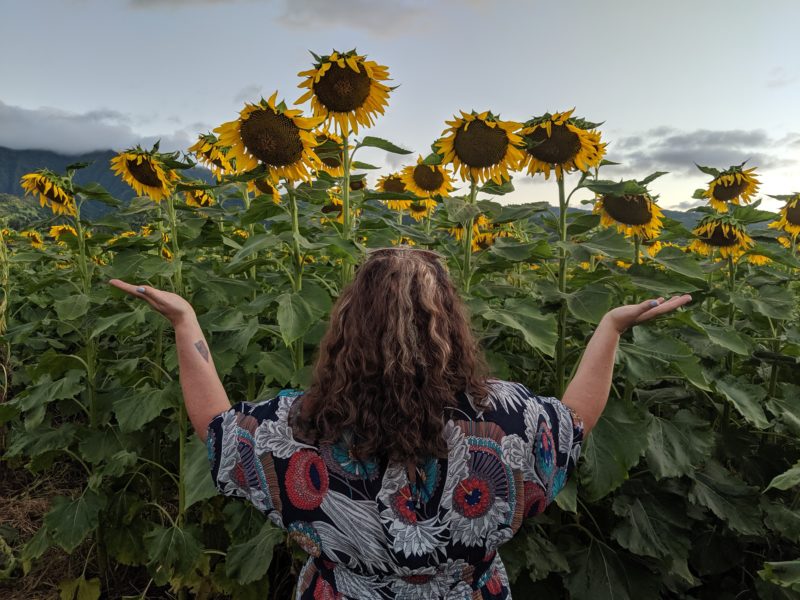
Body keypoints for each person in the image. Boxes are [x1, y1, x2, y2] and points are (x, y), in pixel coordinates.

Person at [108, 246, 691, 599]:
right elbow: (577, 421)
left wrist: (186, 322)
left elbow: (215, 427)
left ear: (346, 328)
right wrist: (609, 329)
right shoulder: (509, 423)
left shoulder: (298, 432)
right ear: (454, 328)